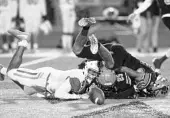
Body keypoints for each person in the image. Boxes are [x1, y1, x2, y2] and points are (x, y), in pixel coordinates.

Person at [72, 17, 169, 96]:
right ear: (156, 85)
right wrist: (135, 88)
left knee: (77, 50)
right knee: (111, 66)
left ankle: (86, 27)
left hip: (108, 53)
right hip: (117, 56)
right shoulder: (148, 77)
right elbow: (126, 70)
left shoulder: (152, 75)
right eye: (156, 90)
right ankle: (98, 45)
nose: (153, 92)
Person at [0, 29, 104, 99]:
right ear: (86, 69)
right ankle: (23, 41)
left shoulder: (85, 81)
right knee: (11, 72)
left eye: (94, 73)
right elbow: (59, 94)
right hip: (43, 78)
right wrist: (78, 97)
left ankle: (1, 69)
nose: (92, 75)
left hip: (47, 84)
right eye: (91, 72)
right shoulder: (77, 79)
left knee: (28, 90)